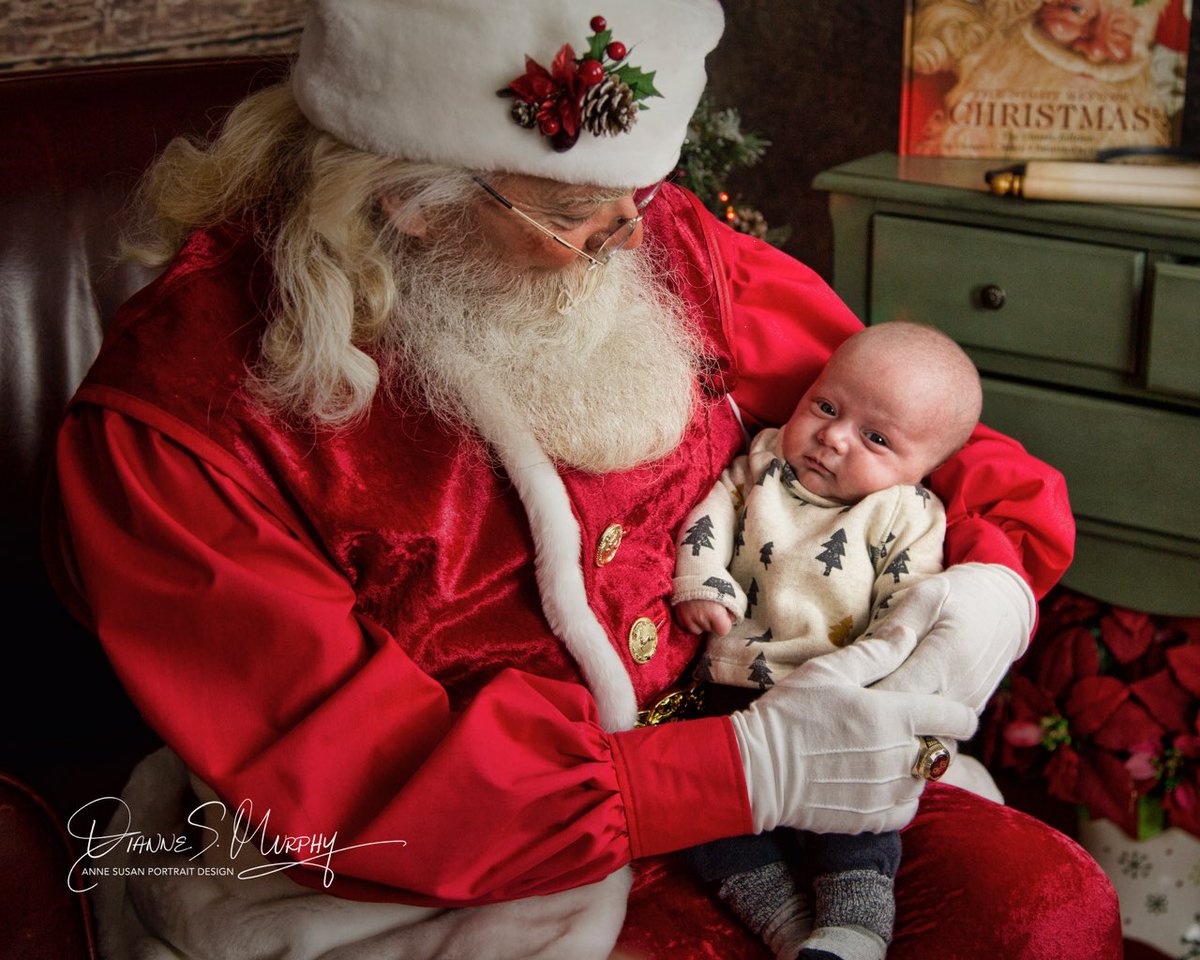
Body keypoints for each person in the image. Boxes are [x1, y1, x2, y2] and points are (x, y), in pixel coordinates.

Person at [43, 1, 1119, 958]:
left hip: (766, 731)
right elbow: (349, 775)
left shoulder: (656, 233)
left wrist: (991, 587)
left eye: (642, 194)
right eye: (574, 218)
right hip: (437, 865)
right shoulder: (177, 421)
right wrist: (722, 773)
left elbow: (920, 420)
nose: (629, 240)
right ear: (414, 200)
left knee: (1044, 906)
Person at [672, 322, 982, 960]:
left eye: (875, 438)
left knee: (863, 812)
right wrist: (703, 583)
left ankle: (854, 925)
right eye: (827, 406)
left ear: (922, 467)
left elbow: (909, 606)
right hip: (736, 684)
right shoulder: (763, 462)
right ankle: (785, 923)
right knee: (700, 803)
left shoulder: (905, 514)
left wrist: (880, 685)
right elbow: (713, 514)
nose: (833, 438)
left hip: (839, 696)